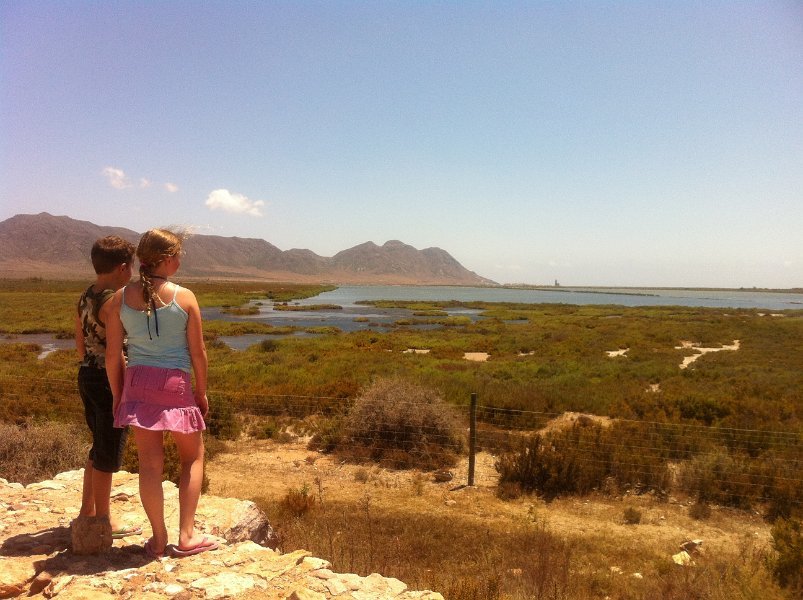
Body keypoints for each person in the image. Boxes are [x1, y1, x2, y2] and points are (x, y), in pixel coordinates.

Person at [106, 228, 217, 559]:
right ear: (168, 260)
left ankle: (157, 540)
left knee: (150, 465)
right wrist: (202, 391)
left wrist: (118, 395)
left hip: (137, 385)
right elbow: (198, 353)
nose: (180, 261)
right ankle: (186, 535)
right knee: (193, 457)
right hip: (175, 385)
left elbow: (114, 356)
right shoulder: (185, 298)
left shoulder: (119, 299)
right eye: (178, 255)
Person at [75, 235, 141, 540]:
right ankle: (103, 520)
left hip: (86, 373)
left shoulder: (85, 296)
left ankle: (86, 512)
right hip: (106, 380)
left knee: (97, 446)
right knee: (107, 452)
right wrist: (121, 392)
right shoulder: (114, 301)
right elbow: (116, 353)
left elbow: (80, 344)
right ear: (123, 268)